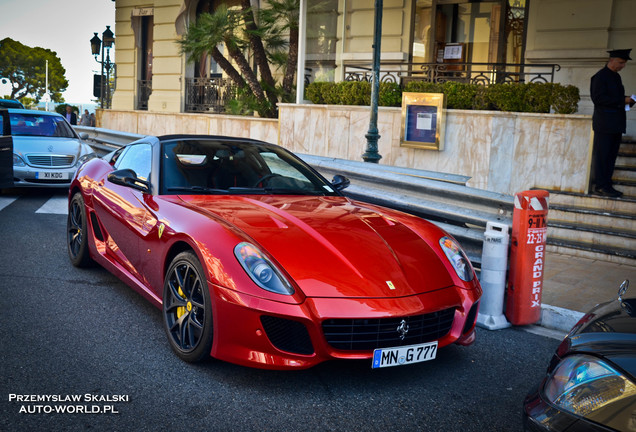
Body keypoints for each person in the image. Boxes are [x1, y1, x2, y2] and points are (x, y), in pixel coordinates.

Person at [590, 48, 635, 197]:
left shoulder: (616, 77)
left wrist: (629, 100)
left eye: (624, 63)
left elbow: (616, 98)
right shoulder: (600, 77)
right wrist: (623, 100)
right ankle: (601, 186)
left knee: (610, 157)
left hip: (616, 124)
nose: (623, 66)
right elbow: (598, 99)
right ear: (611, 60)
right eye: (621, 62)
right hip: (604, 124)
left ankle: (607, 185)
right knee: (603, 156)